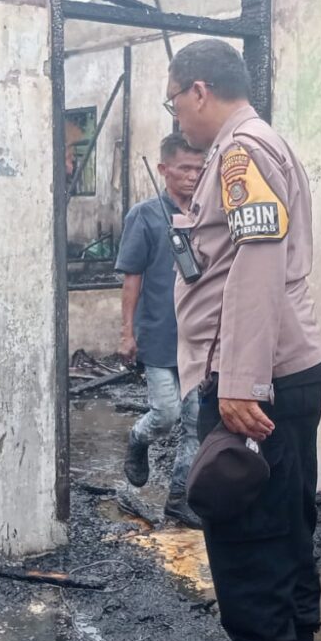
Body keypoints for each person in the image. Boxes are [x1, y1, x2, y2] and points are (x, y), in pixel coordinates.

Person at [164, 39, 321, 641]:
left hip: (256, 376)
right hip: (285, 368)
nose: (177, 116)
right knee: (287, 522)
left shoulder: (241, 153)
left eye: (175, 101)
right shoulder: (256, 146)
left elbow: (257, 262)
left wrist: (239, 383)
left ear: (199, 91)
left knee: (247, 532)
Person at [117, 133, 206, 528]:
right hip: (157, 334)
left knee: (197, 422)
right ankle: (138, 438)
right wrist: (127, 332)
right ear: (163, 169)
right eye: (185, 168)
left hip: (199, 337)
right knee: (166, 414)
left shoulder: (208, 214)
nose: (193, 176)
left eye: (199, 169)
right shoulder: (145, 215)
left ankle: (180, 498)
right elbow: (132, 278)